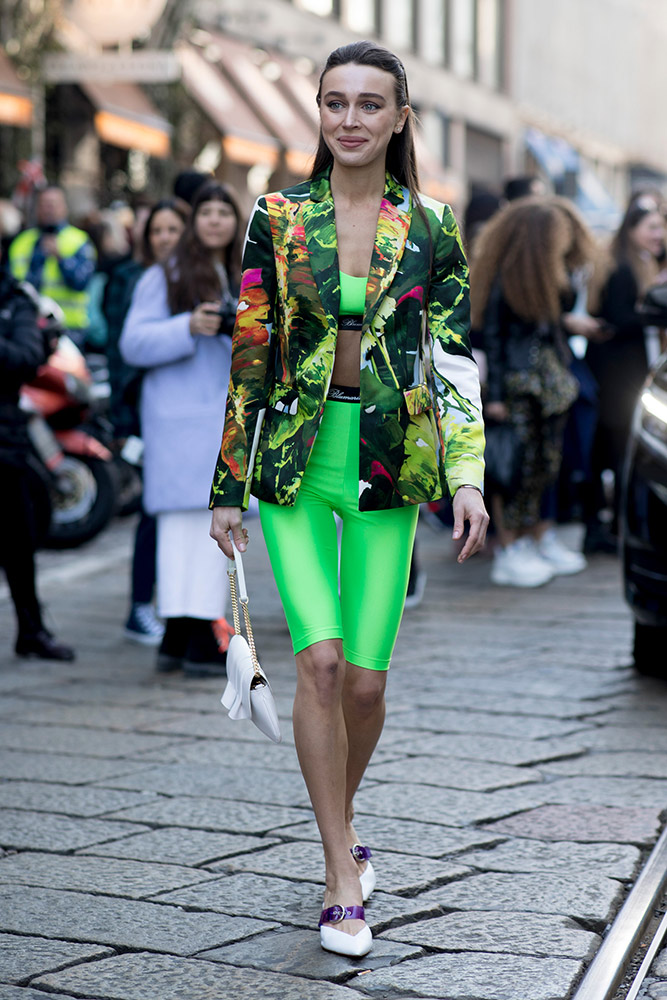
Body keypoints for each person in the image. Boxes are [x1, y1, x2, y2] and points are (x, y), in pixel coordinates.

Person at [209, 40, 488, 957]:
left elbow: (449, 359)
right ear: (318, 114)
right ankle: (339, 874)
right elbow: (250, 354)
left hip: (388, 467)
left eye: (371, 105)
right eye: (336, 103)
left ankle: (342, 815)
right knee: (319, 667)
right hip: (294, 462)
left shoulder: (435, 225)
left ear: (400, 118)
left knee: (366, 683)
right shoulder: (277, 217)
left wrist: (467, 473)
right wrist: (226, 488)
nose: (352, 119)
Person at [120, 181, 242, 676]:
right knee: (181, 531)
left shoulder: (240, 271)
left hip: (215, 420)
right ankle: (193, 634)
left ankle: (182, 635)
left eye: (224, 212)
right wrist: (186, 327)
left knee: (208, 531)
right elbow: (133, 342)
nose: (214, 220)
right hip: (179, 423)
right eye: (206, 212)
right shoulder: (166, 274)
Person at [471, 196, 597, 587]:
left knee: (542, 464)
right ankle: (511, 547)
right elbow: (493, 334)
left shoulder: (545, 276)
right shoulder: (509, 277)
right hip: (519, 384)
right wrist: (494, 397)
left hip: (544, 382)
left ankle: (533, 539)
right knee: (514, 466)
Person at [105, 199, 188, 645]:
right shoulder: (136, 279)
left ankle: (173, 611)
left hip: (170, 419)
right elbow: (125, 355)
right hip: (140, 416)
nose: (164, 238)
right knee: (153, 514)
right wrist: (124, 423)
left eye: (173, 230)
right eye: (157, 230)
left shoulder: (191, 277)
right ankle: (141, 606)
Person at [0, 261, 75, 661]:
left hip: (6, 440)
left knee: (18, 540)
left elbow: (27, 356)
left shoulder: (15, 298)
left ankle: (31, 630)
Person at [586, 196, 667, 545]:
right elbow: (619, 319)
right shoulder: (620, 267)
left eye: (661, 227)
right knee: (614, 451)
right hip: (616, 375)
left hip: (627, 371)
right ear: (631, 230)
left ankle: (615, 526)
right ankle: (609, 528)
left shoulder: (642, 262)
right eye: (652, 227)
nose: (659, 234)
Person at [8, 186, 96, 347]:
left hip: (69, 328)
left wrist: (61, 258)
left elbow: (81, 282)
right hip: (28, 326)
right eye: (44, 204)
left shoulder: (79, 241)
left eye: (53, 204)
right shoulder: (22, 242)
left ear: (64, 207)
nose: (49, 209)